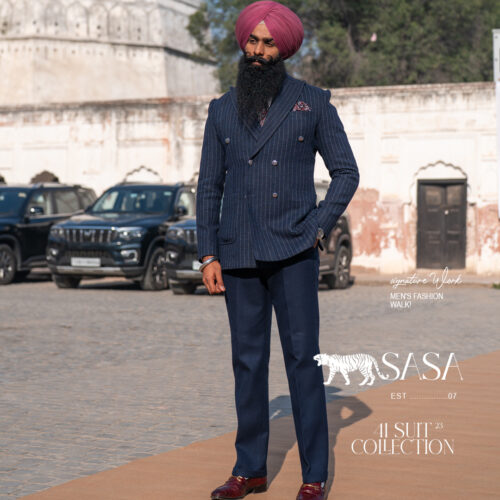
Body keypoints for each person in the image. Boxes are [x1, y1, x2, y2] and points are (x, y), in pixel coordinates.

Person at [195, 2, 359, 499]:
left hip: (293, 252)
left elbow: (346, 172)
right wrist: (208, 254)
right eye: (253, 41)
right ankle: (250, 470)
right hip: (238, 253)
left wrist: (317, 228)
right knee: (247, 363)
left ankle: (313, 476)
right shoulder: (222, 109)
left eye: (269, 43)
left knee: (303, 361)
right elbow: (209, 187)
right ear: (243, 42)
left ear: (284, 49)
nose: (259, 51)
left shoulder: (313, 103)